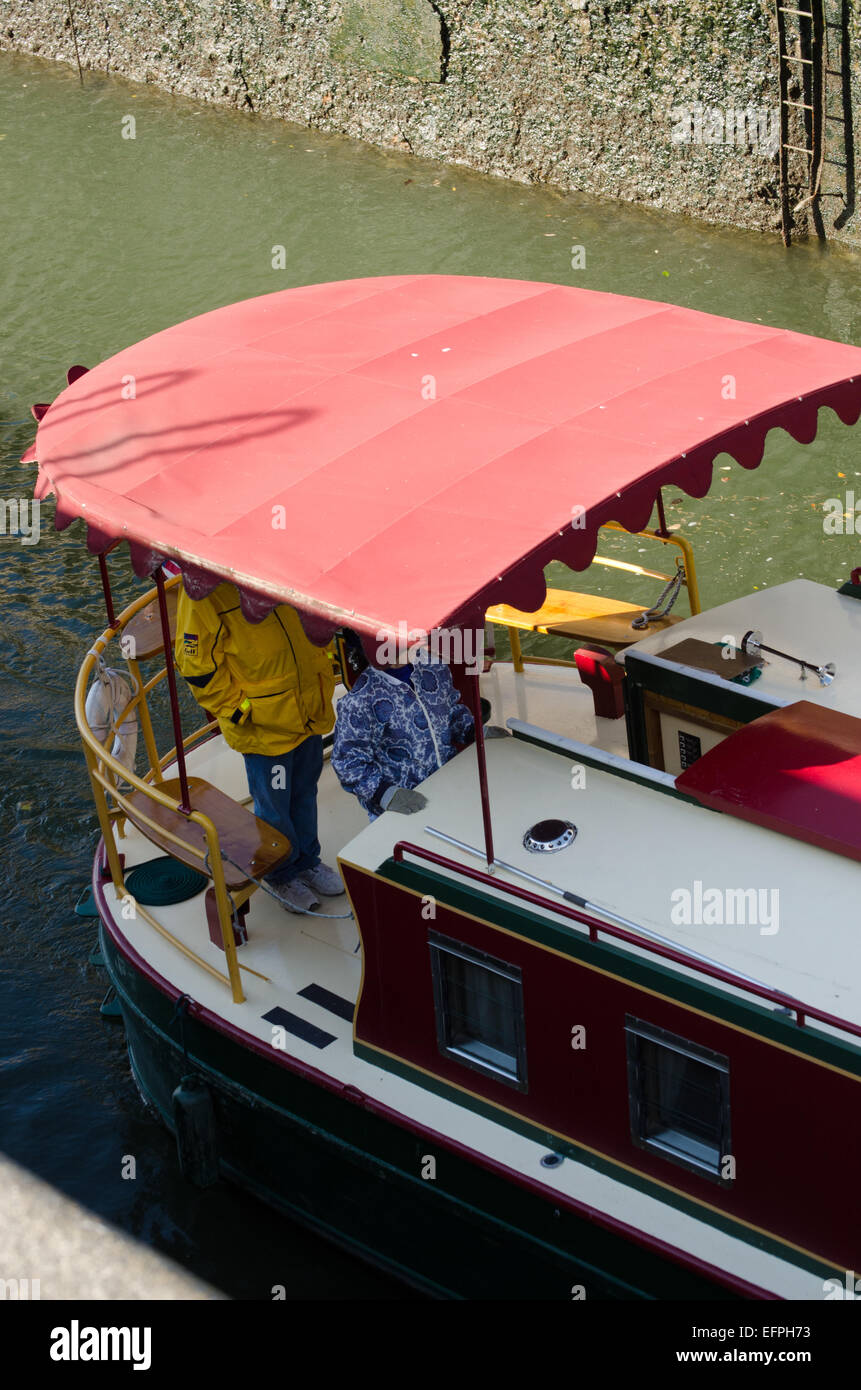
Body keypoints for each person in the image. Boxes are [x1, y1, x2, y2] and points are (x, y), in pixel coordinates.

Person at [174, 581, 341, 913]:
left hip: (308, 710)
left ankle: (307, 860)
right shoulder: (201, 591)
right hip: (265, 727)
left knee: (304, 790)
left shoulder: (277, 561)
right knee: (274, 806)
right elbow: (196, 665)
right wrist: (239, 709)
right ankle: (281, 875)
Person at [331, 639, 477, 819]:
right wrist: (385, 794)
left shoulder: (434, 667)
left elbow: (451, 710)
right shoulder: (360, 700)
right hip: (403, 807)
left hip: (450, 783)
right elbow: (347, 762)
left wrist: (473, 731)